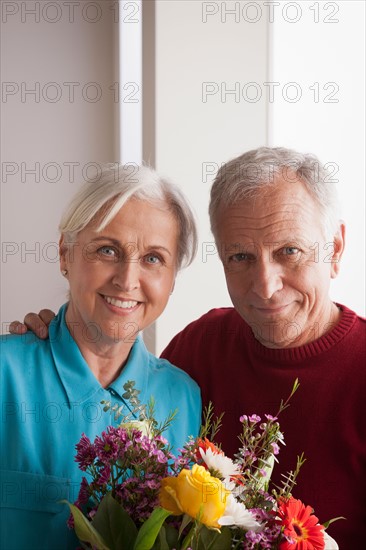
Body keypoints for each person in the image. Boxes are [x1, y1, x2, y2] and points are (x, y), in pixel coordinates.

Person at [9, 147, 366, 548]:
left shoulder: (183, 390)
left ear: (334, 249)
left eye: (290, 251)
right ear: (64, 254)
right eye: (241, 256)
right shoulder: (199, 351)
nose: (265, 285)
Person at [0, 164, 202, 549]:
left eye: (154, 258)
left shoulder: (185, 397)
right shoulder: (4, 374)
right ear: (65, 254)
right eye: (107, 250)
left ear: (173, 278)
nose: (127, 280)